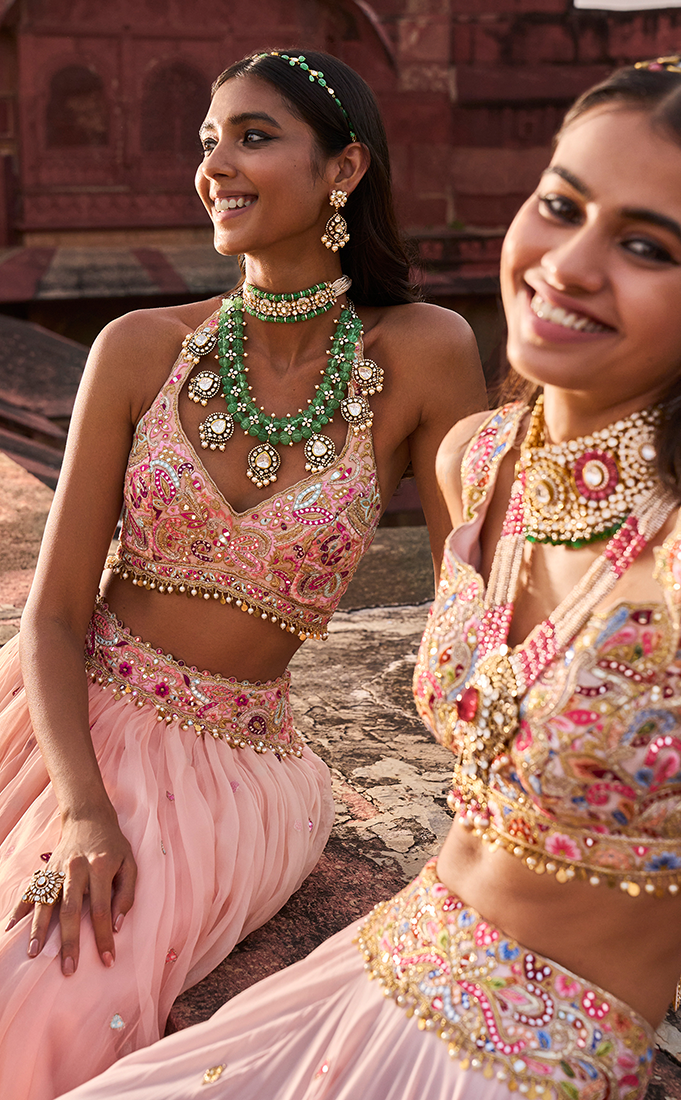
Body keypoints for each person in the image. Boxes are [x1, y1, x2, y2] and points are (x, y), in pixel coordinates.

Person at [56, 53, 681, 1100]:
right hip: (376, 963)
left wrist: (646, 895)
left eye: (647, 244)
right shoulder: (487, 460)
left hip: (523, 1055)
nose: (569, 262)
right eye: (560, 204)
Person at [0, 50, 487, 1100]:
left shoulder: (425, 350)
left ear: (345, 165)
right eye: (207, 139)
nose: (214, 163)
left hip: (233, 771)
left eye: (253, 136)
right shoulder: (139, 347)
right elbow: (49, 615)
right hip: (61, 723)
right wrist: (84, 809)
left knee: (50, 984)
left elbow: (479, 610)